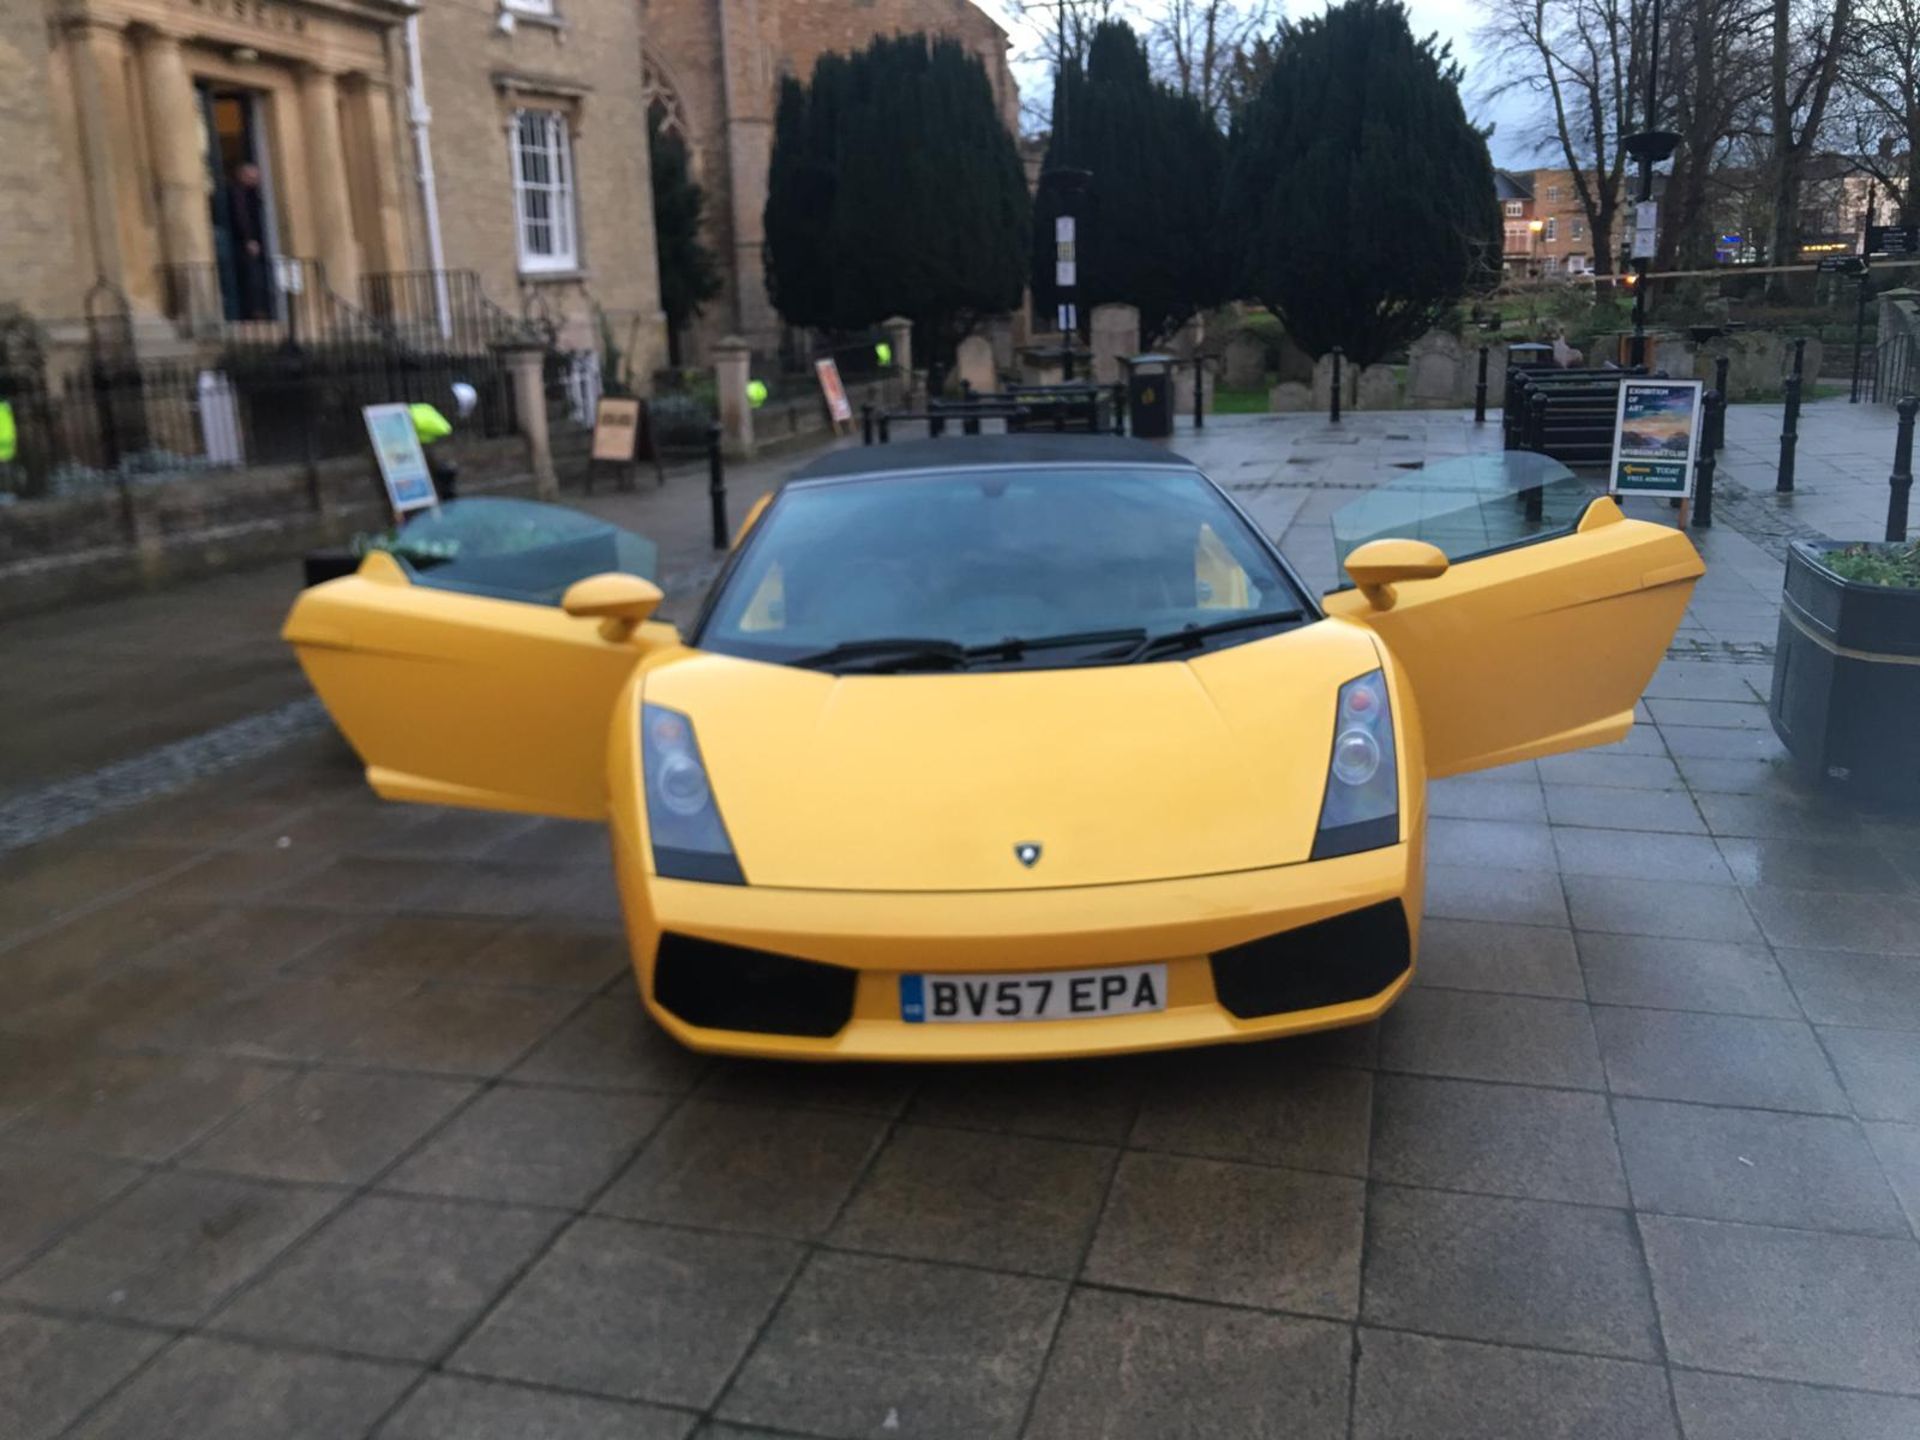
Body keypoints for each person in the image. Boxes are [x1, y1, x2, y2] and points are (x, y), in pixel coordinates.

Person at [226, 163, 276, 321]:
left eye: (256, 177)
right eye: (251, 177)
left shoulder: (257, 194)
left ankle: (259, 309)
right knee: (252, 276)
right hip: (245, 243)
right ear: (241, 176)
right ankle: (255, 311)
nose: (255, 181)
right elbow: (242, 217)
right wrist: (249, 239)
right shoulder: (238, 194)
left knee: (257, 275)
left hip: (261, 241)